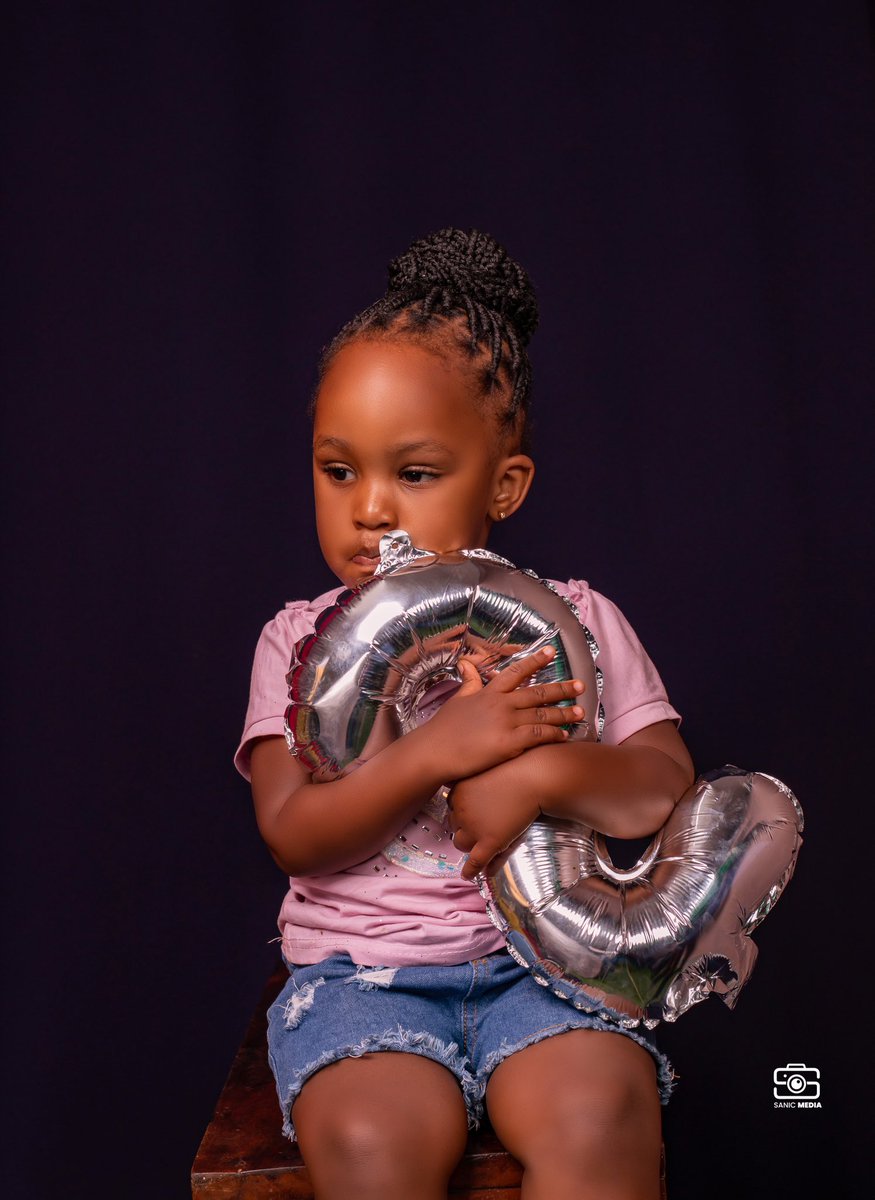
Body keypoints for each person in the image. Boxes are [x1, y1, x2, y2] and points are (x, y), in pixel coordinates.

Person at [235, 227, 694, 1199]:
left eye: (412, 474)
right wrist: (435, 751)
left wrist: (535, 772)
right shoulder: (298, 644)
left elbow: (660, 787)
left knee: (601, 1116)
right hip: (363, 982)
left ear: (503, 484)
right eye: (337, 470)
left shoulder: (575, 619)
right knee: (369, 1142)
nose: (368, 511)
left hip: (544, 973)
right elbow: (292, 833)